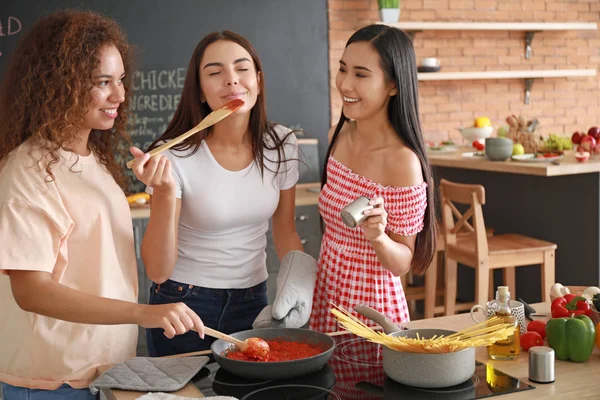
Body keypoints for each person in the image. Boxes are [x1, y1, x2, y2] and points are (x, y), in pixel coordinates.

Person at [0, 10, 204, 399]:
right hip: (52, 381)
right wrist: (144, 314)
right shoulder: (26, 171)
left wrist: (164, 194)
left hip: (106, 372)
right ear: (58, 85)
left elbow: (159, 271)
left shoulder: (93, 161)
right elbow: (31, 291)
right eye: (102, 82)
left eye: (121, 80)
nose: (120, 96)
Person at [129, 30, 316, 357]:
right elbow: (158, 270)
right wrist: (164, 189)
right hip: (182, 305)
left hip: (253, 301)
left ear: (258, 80)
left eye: (242, 69)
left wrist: (298, 283)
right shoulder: (173, 155)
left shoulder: (281, 143)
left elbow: (285, 231)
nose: (231, 81)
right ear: (200, 91)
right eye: (215, 73)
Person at [310, 24, 437, 333]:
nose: (345, 84)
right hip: (326, 296)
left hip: (371, 310)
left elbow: (402, 262)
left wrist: (378, 237)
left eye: (361, 75)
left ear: (393, 85)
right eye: (343, 70)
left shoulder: (402, 161)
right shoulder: (337, 136)